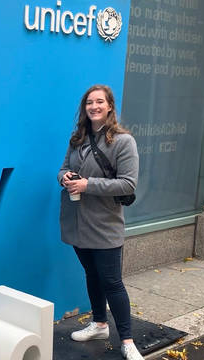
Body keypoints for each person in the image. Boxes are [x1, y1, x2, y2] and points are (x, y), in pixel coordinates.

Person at [57, 84, 142, 360]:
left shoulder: (123, 141)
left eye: (99, 102)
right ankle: (99, 324)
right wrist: (65, 178)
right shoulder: (77, 138)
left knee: (112, 282)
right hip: (77, 220)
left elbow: (128, 184)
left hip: (105, 223)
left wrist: (87, 184)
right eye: (89, 102)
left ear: (109, 107)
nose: (93, 106)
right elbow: (62, 169)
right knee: (91, 275)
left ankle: (127, 341)